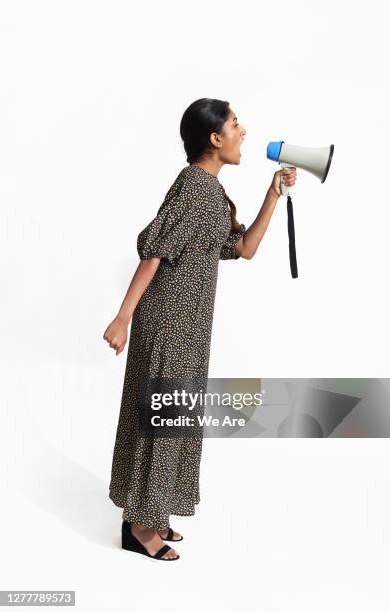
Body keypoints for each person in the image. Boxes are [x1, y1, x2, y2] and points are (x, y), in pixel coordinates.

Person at [103, 98, 297, 562]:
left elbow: (245, 248)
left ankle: (153, 509)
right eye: (235, 124)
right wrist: (123, 317)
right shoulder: (195, 187)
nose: (243, 130)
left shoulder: (210, 192)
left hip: (190, 326)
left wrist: (273, 192)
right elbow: (154, 250)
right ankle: (140, 529)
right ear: (214, 138)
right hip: (169, 323)